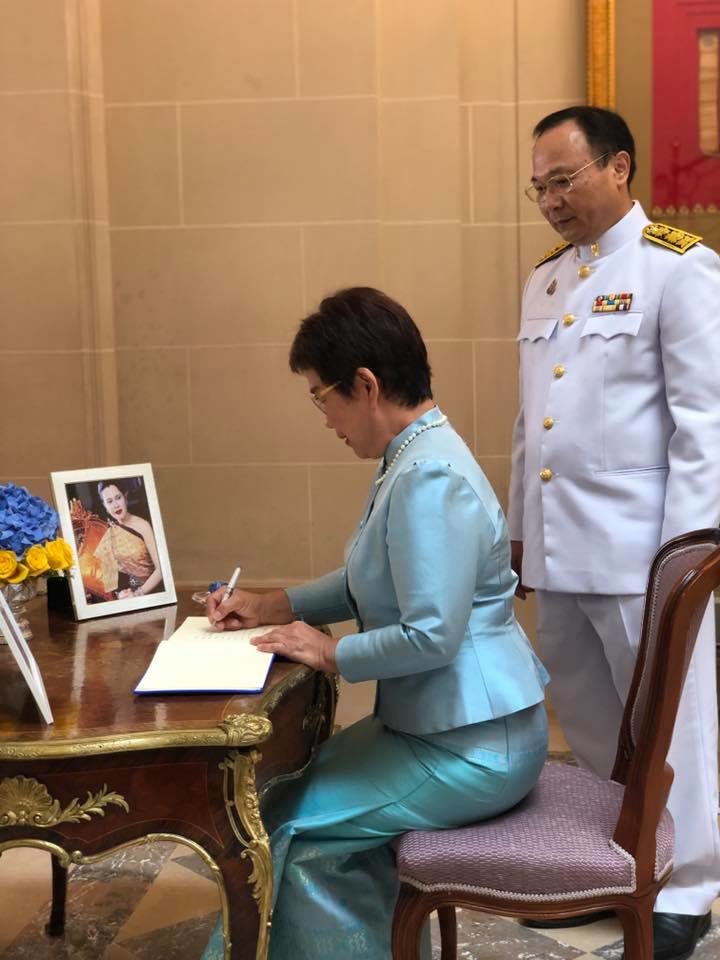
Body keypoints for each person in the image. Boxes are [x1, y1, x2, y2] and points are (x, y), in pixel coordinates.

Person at [201, 287, 549, 960]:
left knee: (280, 824)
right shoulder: (415, 454)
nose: (325, 420)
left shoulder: (428, 477)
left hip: (473, 746)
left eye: (320, 398)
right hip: (446, 728)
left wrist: (331, 653)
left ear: (365, 385)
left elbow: (431, 635)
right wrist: (275, 604)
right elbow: (373, 580)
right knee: (273, 797)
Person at [509, 105, 720, 960]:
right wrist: (521, 533)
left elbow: (705, 427)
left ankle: (690, 887)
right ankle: (617, 871)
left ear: (619, 166)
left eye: (563, 180)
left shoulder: (680, 269)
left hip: (643, 555)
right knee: (591, 716)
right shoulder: (545, 281)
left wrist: (686, 563)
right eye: (539, 188)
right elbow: (531, 425)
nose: (550, 201)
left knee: (676, 724)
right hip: (562, 550)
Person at [71, 480, 164, 601]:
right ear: (105, 506)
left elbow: (161, 569)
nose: (116, 505)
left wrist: (138, 594)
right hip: (127, 594)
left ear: (125, 497)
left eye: (118, 498)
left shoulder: (143, 526)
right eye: (109, 501)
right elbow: (104, 574)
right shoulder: (110, 531)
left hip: (151, 592)